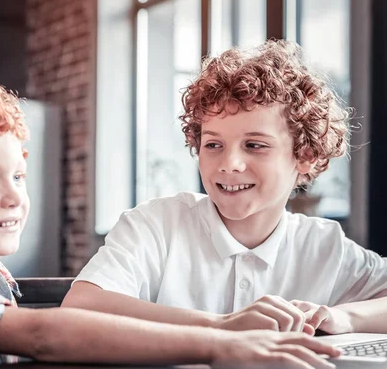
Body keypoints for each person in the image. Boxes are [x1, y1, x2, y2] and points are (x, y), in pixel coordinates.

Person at [0, 72, 338, 368]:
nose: (15, 198)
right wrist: (222, 339)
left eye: (18, 175)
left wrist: (224, 329)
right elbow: (40, 333)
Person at [62, 40, 387, 337]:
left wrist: (344, 317)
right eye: (213, 144)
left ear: (304, 155)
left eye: (255, 145)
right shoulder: (156, 225)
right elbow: (80, 309)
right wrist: (222, 327)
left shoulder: (324, 246)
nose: (229, 163)